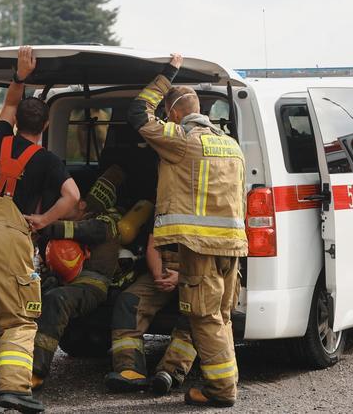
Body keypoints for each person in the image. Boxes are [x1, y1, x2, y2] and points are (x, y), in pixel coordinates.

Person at [0, 46, 80, 414]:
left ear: (16, 123)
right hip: (9, 236)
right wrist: (43, 221)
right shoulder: (47, 160)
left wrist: (20, 74)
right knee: (18, 317)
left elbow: (10, 105)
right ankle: (14, 389)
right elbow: (73, 196)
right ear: (44, 126)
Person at [126, 54, 247, 407]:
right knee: (219, 317)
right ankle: (224, 383)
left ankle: (223, 391)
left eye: (167, 113)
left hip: (200, 248)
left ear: (175, 113)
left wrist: (168, 74)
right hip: (232, 248)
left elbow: (138, 114)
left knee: (203, 317)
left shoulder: (181, 139)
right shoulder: (230, 145)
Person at [31, 165, 124, 389]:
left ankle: (35, 372)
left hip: (91, 286)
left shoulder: (109, 219)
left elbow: (89, 231)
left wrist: (47, 226)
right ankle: (9, 367)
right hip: (63, 281)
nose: (59, 208)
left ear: (82, 203)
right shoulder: (60, 222)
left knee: (56, 301)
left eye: (66, 203)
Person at [105, 233, 197, 395]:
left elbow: (212, 260)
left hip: (198, 273)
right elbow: (153, 245)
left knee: (196, 309)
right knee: (129, 301)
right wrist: (158, 276)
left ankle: (170, 371)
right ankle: (130, 370)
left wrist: (182, 277)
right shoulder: (164, 207)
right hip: (164, 269)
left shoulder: (208, 211)